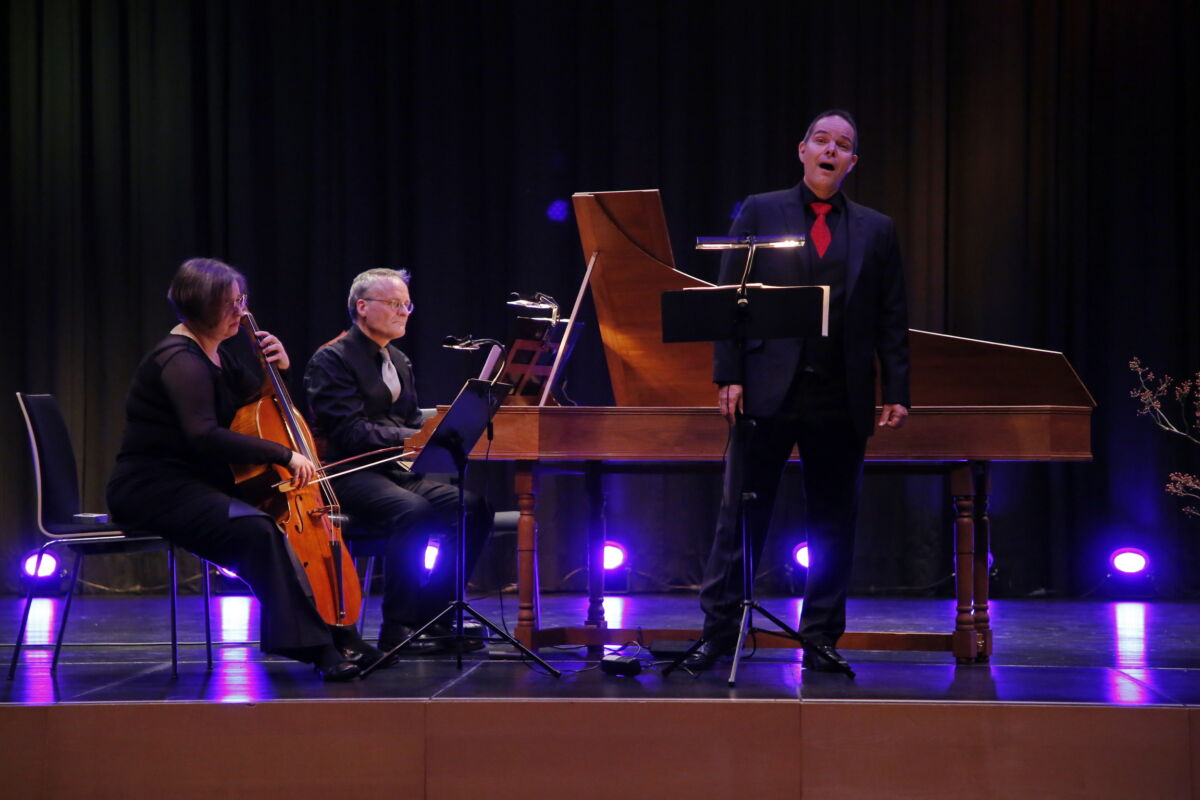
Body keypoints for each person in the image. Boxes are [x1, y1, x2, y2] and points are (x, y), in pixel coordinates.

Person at [688, 110, 910, 674]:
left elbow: (892, 316)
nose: (831, 150)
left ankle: (820, 638)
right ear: (802, 149)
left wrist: (897, 389)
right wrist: (729, 374)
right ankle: (718, 634)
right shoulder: (761, 209)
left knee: (833, 521)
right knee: (740, 514)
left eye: (843, 145)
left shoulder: (877, 228)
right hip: (766, 387)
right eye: (821, 140)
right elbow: (729, 296)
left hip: (842, 393)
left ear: (852, 162)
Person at [107, 257, 381, 681]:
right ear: (201, 306)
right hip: (153, 487)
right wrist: (284, 455)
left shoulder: (216, 355)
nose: (242, 312)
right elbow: (203, 435)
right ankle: (318, 647)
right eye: (231, 304)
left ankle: (335, 632)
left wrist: (278, 370)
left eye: (242, 301)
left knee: (273, 527)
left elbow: (263, 409)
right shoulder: (180, 360)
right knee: (258, 531)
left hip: (197, 483)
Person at [304, 268, 492, 658]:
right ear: (362, 307)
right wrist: (413, 437)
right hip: (344, 474)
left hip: (390, 472)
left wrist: (437, 429)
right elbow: (349, 431)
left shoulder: (399, 359)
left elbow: (406, 421)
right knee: (415, 511)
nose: (403, 311)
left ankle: (434, 613)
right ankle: (398, 627)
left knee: (473, 507)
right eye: (393, 304)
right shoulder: (331, 359)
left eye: (406, 304)